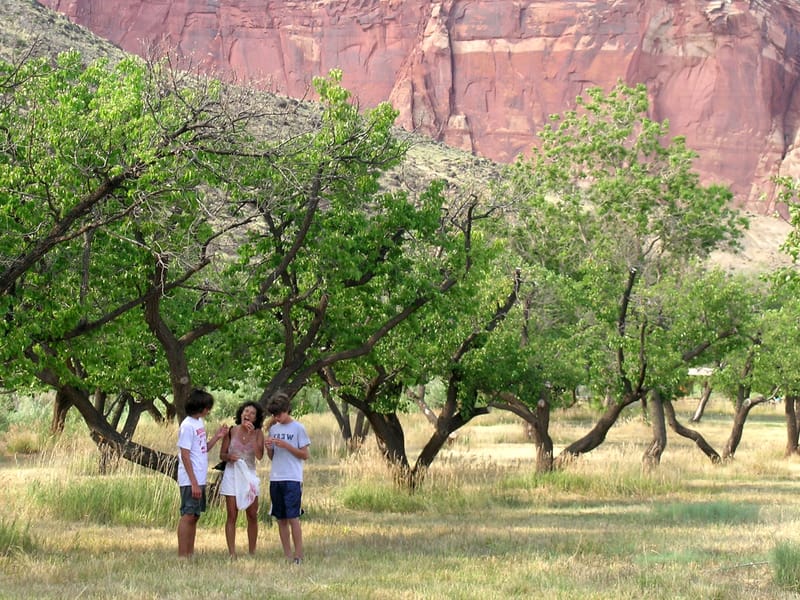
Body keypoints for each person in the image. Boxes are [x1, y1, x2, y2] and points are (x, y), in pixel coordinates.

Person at [176, 388, 228, 558]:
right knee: (188, 514)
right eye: (207, 407)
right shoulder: (187, 426)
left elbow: (202, 448)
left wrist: (218, 436)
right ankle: (183, 554)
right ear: (201, 407)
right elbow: (185, 455)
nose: (209, 410)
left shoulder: (199, 423)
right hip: (190, 479)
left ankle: (190, 553)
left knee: (195, 516)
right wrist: (193, 482)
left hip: (199, 477)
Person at [265, 392, 310, 564]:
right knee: (281, 518)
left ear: (286, 410)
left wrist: (286, 445)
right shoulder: (274, 429)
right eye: (274, 415)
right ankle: (287, 555)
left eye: (279, 414)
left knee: (293, 517)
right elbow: (272, 457)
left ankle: (298, 555)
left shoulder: (298, 428)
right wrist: (269, 447)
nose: (276, 418)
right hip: (276, 477)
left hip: (292, 478)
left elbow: (304, 454)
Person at [218, 401, 265, 558]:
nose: (248, 415)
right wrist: (229, 457)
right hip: (232, 474)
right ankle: (232, 553)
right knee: (232, 514)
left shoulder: (258, 433)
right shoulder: (231, 431)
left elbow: (259, 456)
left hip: (249, 474)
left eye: (252, 413)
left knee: (252, 514)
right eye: (246, 411)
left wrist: (252, 437)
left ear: (256, 418)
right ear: (241, 413)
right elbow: (222, 455)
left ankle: (252, 552)